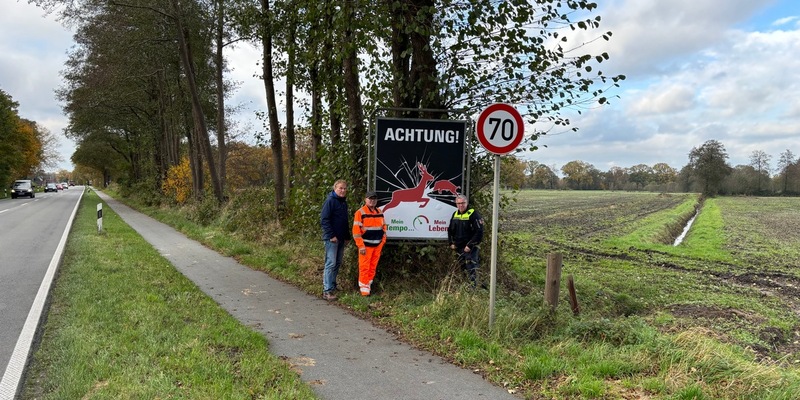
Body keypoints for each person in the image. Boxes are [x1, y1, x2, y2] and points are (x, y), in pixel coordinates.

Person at [352, 191, 387, 296]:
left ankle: (368, 285)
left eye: (374, 199)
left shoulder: (379, 211)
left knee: (373, 266)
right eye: (370, 198)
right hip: (365, 246)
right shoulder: (360, 212)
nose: (372, 201)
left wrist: (383, 241)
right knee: (364, 267)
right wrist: (361, 246)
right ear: (365, 199)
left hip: (377, 245)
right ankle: (364, 291)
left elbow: (384, 227)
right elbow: (356, 231)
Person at [320, 179, 350, 300]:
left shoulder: (343, 203)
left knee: (337, 263)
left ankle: (332, 285)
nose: (342, 190)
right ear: (335, 189)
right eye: (340, 188)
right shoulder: (330, 201)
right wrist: (331, 235)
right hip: (332, 239)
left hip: (341, 238)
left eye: (344, 188)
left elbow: (345, 221)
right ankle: (327, 290)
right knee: (330, 263)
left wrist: (347, 236)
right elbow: (324, 219)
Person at [447, 194, 484, 287]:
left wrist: (470, 245)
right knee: (462, 269)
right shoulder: (455, 214)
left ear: (466, 203)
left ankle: (473, 290)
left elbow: (479, 232)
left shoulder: (473, 214)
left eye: (463, 203)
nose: (461, 205)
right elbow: (450, 230)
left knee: (471, 269)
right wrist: (450, 243)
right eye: (458, 203)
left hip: (470, 249)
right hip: (458, 248)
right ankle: (464, 289)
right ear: (456, 204)